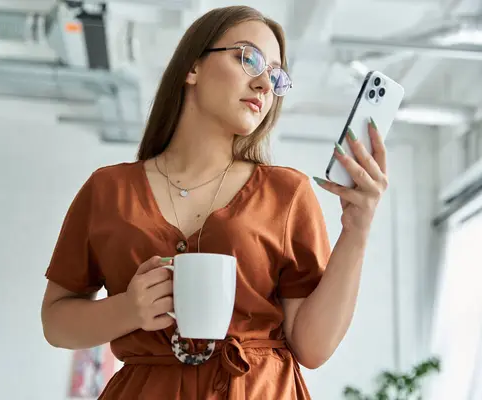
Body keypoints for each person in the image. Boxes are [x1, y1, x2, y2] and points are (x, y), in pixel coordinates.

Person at [41, 5, 389, 399]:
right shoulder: (108, 190)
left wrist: (356, 231)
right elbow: (56, 321)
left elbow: (312, 347)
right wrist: (128, 310)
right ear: (193, 67)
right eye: (248, 58)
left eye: (275, 77)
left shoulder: (287, 193)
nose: (263, 85)